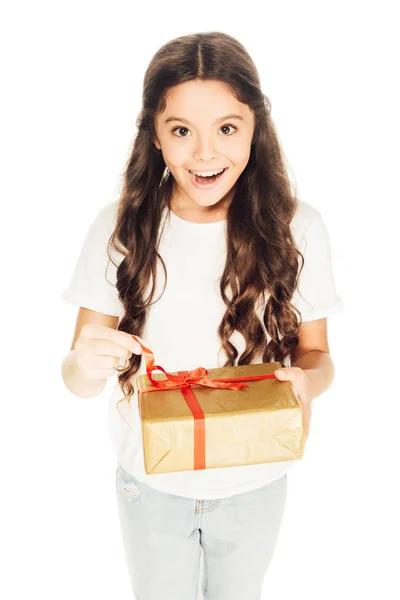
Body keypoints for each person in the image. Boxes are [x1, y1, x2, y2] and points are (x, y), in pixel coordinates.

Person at [61, 31, 343, 600]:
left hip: (255, 478)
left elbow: (319, 356)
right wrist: (87, 365)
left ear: (256, 127)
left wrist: (306, 380)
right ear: (155, 137)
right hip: (150, 479)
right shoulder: (121, 226)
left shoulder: (298, 227)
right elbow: (75, 377)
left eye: (227, 128)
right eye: (182, 131)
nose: (206, 154)